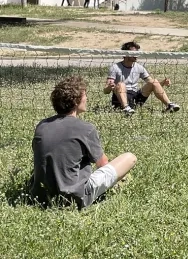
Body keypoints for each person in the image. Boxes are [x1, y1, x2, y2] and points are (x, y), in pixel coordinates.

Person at [30, 76, 137, 209]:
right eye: (85, 95)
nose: (86, 99)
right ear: (76, 101)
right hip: (75, 199)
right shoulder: (86, 128)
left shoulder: (42, 125)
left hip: (40, 197)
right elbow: (102, 164)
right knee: (130, 157)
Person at [104, 41, 180, 115]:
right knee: (121, 84)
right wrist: (110, 87)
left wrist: (163, 83)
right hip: (120, 99)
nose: (136, 55)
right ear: (126, 54)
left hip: (135, 98)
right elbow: (105, 91)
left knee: (154, 81)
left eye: (137, 53)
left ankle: (169, 105)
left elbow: (154, 85)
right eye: (134, 53)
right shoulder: (115, 68)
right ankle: (126, 108)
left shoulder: (139, 67)